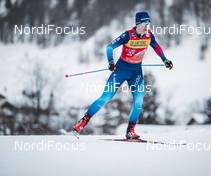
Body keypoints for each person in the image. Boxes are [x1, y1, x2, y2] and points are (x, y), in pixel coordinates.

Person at [72, 11, 173, 139]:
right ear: (137, 24)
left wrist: (165, 60)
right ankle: (82, 123)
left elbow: (157, 47)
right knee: (105, 97)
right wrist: (111, 62)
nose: (147, 26)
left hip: (136, 73)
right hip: (121, 70)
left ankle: (130, 131)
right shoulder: (128, 35)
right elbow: (109, 47)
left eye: (148, 23)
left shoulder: (149, 36)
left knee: (138, 102)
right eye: (144, 23)